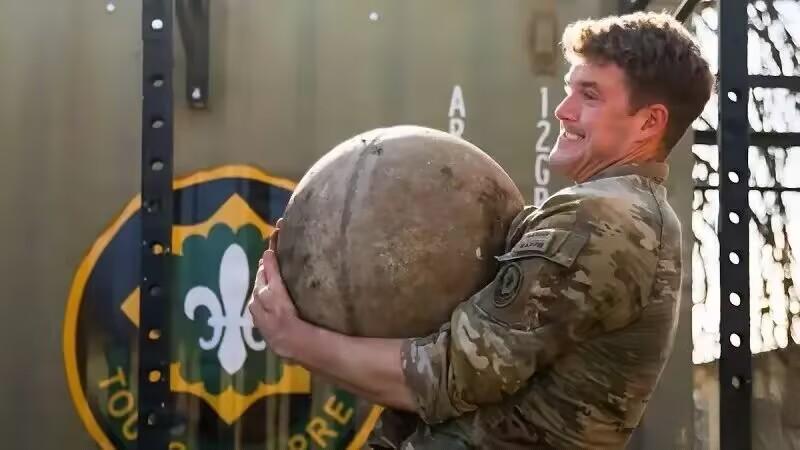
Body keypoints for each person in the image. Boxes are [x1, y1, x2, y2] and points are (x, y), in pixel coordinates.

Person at [249, 11, 713, 449]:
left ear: (649, 122)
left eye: (589, 95)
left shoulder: (604, 220)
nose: (562, 110)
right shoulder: (634, 215)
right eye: (569, 90)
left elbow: (444, 376)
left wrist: (297, 340)